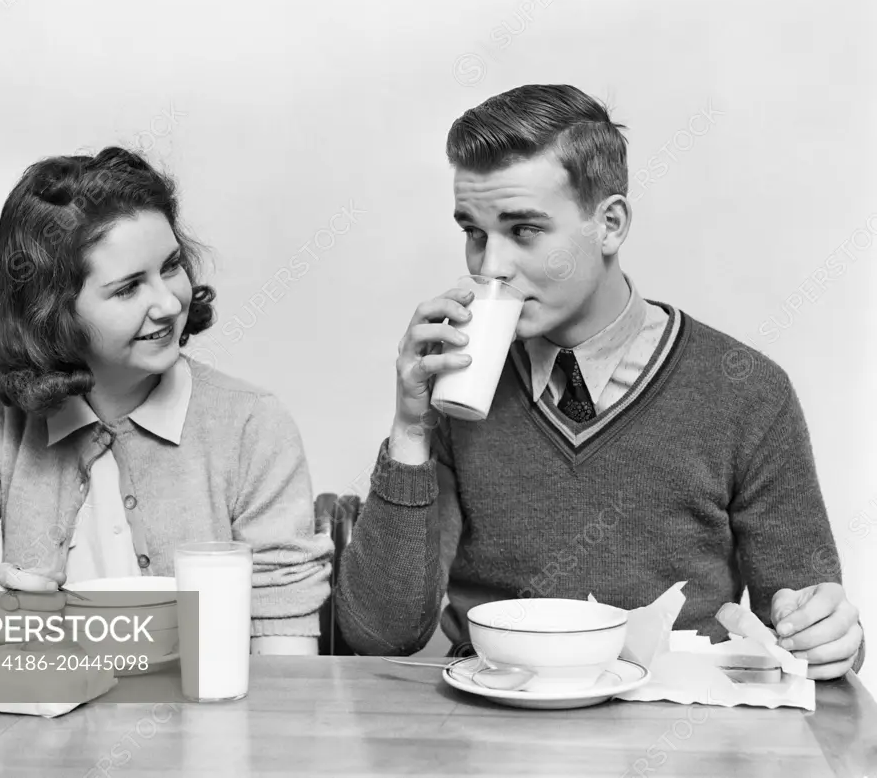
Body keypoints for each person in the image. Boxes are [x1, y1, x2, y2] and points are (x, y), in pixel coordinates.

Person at [335, 84, 864, 679]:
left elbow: (809, 624)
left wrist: (826, 634)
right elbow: (382, 636)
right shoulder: (458, 386)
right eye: (475, 232)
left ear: (609, 225)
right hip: (489, 734)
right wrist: (411, 428)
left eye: (524, 230)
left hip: (675, 733)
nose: (490, 267)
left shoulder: (747, 393)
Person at [0, 147, 332, 655]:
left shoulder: (252, 424)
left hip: (210, 729)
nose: (167, 302)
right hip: (38, 732)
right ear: (54, 310)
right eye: (127, 289)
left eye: (172, 266)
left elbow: (288, 662)